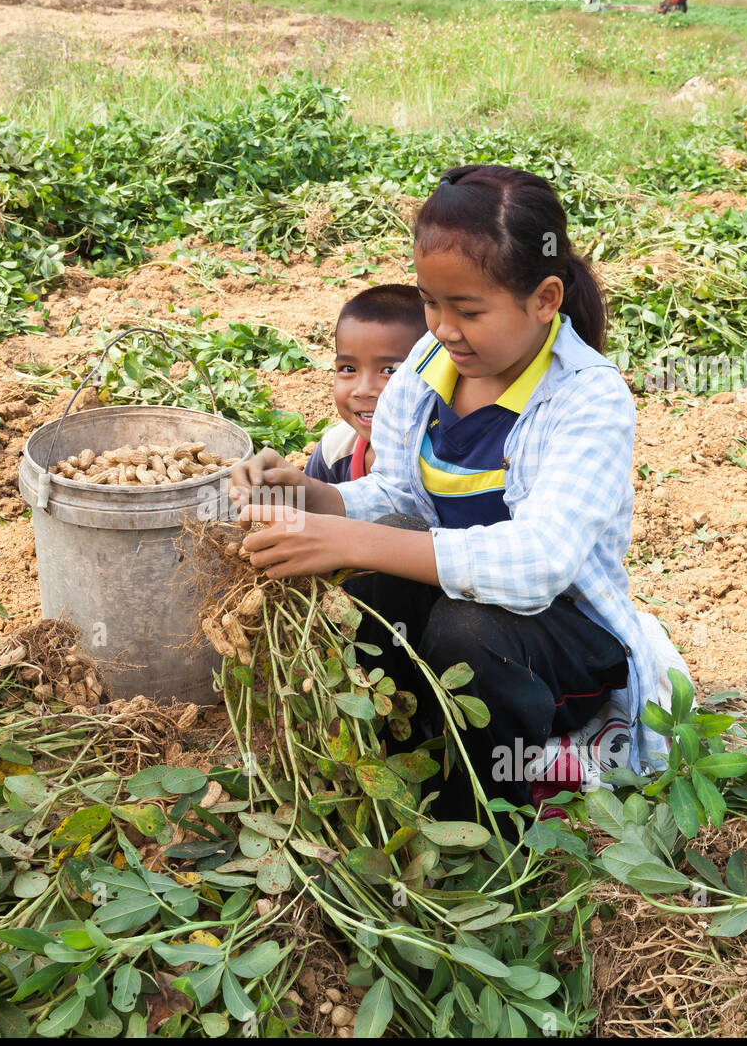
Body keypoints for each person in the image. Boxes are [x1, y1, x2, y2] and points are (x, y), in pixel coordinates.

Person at [228, 163, 688, 822]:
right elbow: (398, 497)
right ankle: (405, 766)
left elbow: (541, 560)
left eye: (468, 310)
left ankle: (494, 818)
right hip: (460, 617)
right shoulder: (428, 371)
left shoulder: (587, 398)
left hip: (561, 643)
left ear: (545, 299)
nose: (442, 327)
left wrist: (350, 537)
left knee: (464, 631)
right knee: (362, 597)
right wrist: (309, 496)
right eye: (430, 302)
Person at [305, 284, 426, 484]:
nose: (362, 390)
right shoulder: (334, 452)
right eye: (348, 369)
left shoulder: (441, 463)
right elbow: (303, 512)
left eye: (389, 371)